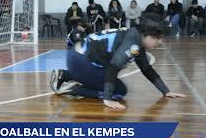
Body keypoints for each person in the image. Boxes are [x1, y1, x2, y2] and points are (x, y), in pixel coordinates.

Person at [50, 13, 186, 110]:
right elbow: (113, 69)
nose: (160, 42)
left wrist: (165, 91)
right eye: (158, 38)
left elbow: (146, 68)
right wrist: (108, 99)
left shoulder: (136, 37)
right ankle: (72, 89)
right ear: (147, 34)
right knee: (119, 91)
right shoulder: (133, 44)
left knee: (109, 78)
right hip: (81, 61)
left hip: (77, 57)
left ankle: (65, 74)